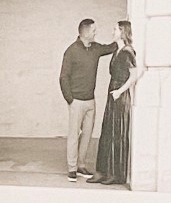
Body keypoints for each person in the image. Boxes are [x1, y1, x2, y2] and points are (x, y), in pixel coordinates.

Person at [59, 16, 118, 181]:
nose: (95, 32)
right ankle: (72, 168)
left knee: (87, 134)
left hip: (90, 101)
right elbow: (63, 77)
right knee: (73, 135)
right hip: (76, 101)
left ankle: (81, 165)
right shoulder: (71, 51)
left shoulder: (95, 48)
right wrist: (70, 99)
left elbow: (110, 48)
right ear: (85, 33)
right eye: (94, 30)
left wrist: (120, 38)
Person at [93, 18, 139, 188]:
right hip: (113, 92)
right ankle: (103, 170)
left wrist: (120, 91)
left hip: (120, 95)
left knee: (116, 132)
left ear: (122, 32)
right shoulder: (117, 51)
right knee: (108, 130)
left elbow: (134, 75)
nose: (113, 32)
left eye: (115, 29)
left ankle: (115, 173)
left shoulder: (128, 52)